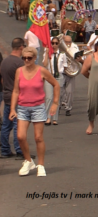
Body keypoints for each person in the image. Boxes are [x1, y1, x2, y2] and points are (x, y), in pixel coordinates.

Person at [10, 47, 60, 176]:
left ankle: (41, 165)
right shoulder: (19, 71)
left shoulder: (42, 71)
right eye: (24, 58)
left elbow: (56, 84)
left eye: (29, 58)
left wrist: (55, 103)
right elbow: (15, 91)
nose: (26, 60)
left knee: (38, 137)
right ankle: (28, 161)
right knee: (20, 136)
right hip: (22, 107)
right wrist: (12, 109)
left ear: (34, 58)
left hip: (38, 107)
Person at [0, 38, 26, 159]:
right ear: (21, 47)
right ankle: (19, 150)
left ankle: (5, 149)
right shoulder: (19, 63)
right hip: (17, 97)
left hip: (7, 95)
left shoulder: (4, 62)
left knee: (6, 124)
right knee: (18, 125)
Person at [43, 37, 67, 125]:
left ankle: (55, 118)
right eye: (52, 43)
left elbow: (65, 66)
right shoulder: (48, 54)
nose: (54, 45)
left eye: (56, 43)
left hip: (59, 77)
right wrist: (46, 53)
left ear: (58, 44)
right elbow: (45, 64)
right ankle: (48, 117)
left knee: (56, 98)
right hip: (49, 77)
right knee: (49, 97)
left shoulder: (62, 54)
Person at [61, 35, 80, 117]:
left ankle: (68, 108)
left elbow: (77, 56)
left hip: (71, 72)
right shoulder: (60, 48)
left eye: (70, 42)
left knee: (69, 92)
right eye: (66, 42)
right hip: (61, 72)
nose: (68, 44)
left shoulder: (75, 47)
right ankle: (58, 106)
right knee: (60, 92)